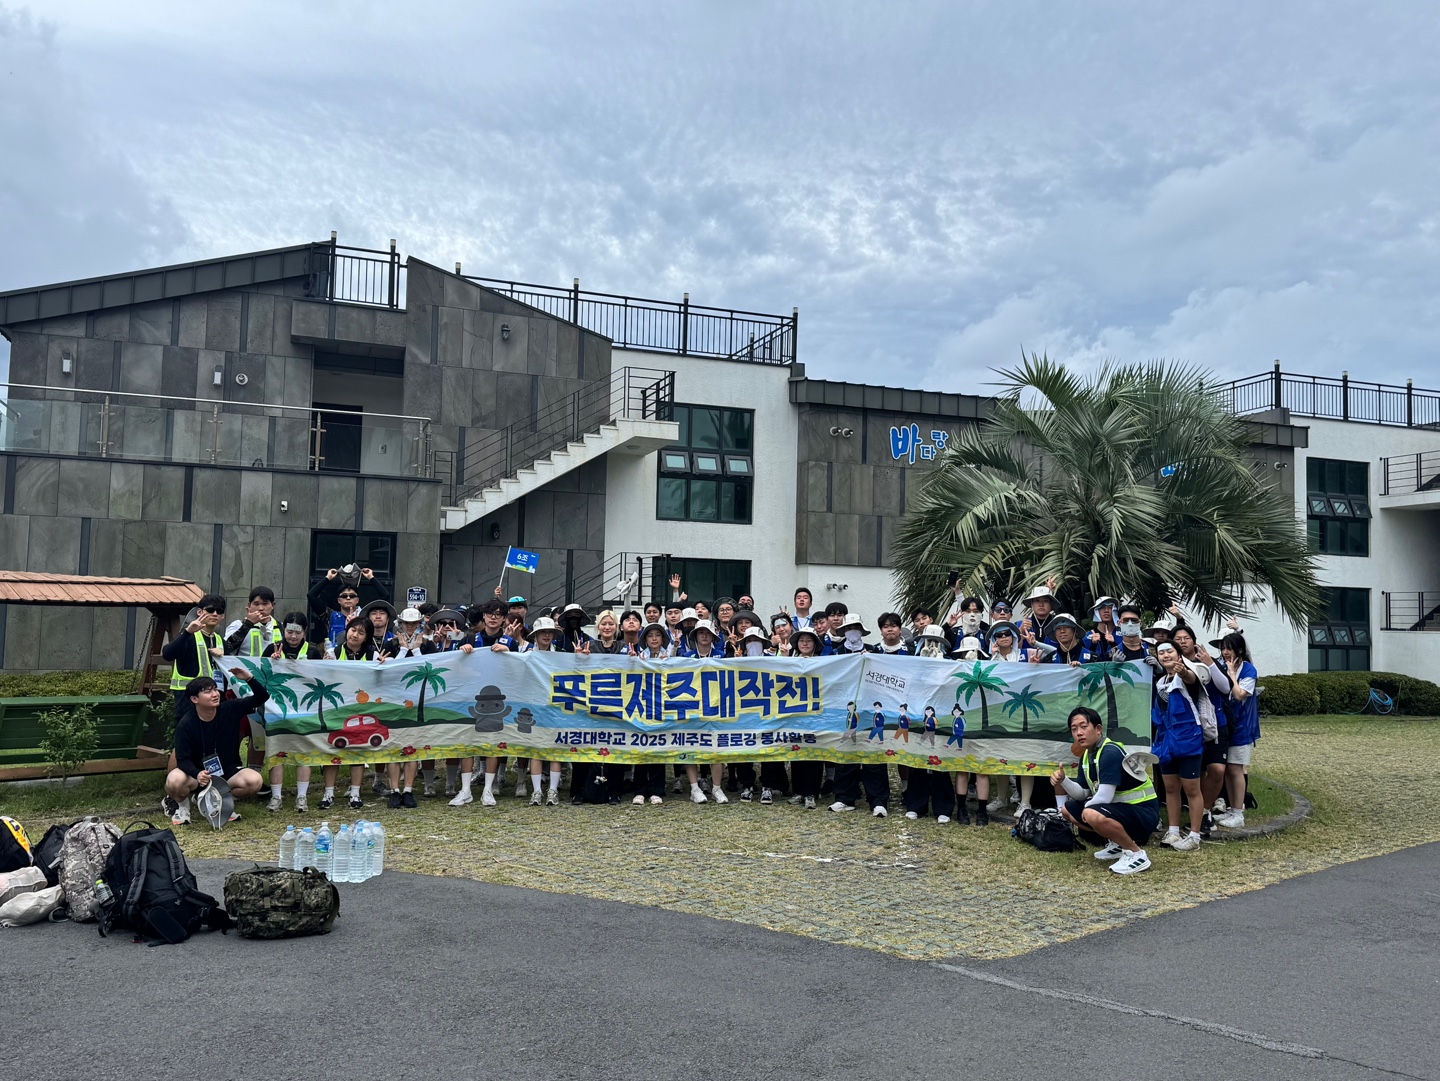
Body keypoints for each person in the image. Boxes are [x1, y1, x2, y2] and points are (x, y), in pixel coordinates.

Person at [1051, 706, 1159, 875]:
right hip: (1121, 811)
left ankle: (1136, 855)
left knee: (1091, 813)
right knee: (1067, 810)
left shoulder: (1109, 752)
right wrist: (1063, 781)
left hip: (1144, 814)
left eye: (1083, 726)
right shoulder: (1087, 755)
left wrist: (1088, 812)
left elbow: (1104, 797)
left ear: (1098, 729)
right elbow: (1082, 793)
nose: (1079, 732)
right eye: (1074, 729)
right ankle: (1117, 844)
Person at [164, 671, 268, 826]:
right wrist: (197, 774)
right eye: (207, 692)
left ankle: (219, 800)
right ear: (195, 699)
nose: (214, 694)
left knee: (254, 781)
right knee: (174, 780)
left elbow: (262, 697)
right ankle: (182, 805)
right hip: (197, 775)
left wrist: (249, 678)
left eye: (214, 689)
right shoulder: (186, 724)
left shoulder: (230, 709)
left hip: (225, 771)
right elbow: (183, 760)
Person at [1172, 625, 1231, 835]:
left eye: (1186, 637)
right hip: (1187, 728)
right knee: (1194, 774)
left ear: (1194, 640)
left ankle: (1205, 810)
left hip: (1214, 724)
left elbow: (1226, 688)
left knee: (1217, 770)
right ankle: (1196, 815)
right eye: (1178, 638)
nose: (1182, 641)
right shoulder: (1169, 665)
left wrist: (1210, 664)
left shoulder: (1206, 661)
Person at [1153, 641, 1208, 852]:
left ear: (1178, 654)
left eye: (1169, 651)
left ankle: (1194, 836)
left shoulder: (1188, 673)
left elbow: (1191, 679)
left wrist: (1183, 671)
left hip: (1188, 741)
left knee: (1192, 789)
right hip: (1166, 742)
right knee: (1170, 787)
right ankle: (1174, 830)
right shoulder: (1160, 682)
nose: (1165, 655)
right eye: (1161, 652)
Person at [319, 617, 376, 811]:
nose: (355, 635)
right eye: (353, 630)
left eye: (361, 633)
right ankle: (328, 793)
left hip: (361, 711)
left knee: (358, 753)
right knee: (333, 751)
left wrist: (384, 664)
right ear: (347, 630)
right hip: (336, 710)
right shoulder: (332, 653)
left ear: (366, 637)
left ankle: (355, 793)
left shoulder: (373, 655)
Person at [262, 611, 316, 813]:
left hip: (304, 709)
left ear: (304, 632)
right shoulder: (272, 648)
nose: (292, 636)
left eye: (297, 632)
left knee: (304, 753)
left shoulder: (312, 651)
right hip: (277, 709)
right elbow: (262, 675)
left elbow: (319, 676)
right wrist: (273, 662)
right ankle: (276, 797)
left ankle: (302, 797)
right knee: (277, 752)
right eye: (289, 631)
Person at [163, 595, 228, 727]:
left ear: (222, 616)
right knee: (187, 745)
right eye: (210, 610)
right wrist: (187, 632)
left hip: (214, 704)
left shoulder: (221, 641)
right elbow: (168, 654)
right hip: (188, 703)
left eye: (219, 611)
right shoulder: (188, 636)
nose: (215, 614)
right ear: (199, 612)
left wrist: (225, 656)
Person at [1216, 633, 1259, 828]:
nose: (1225, 652)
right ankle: (1232, 810)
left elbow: (1240, 695)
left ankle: (1239, 813)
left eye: (1229, 648)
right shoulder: (1221, 665)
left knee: (1236, 770)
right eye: (1223, 648)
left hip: (1242, 727)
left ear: (1239, 650)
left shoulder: (1248, 670)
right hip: (1225, 725)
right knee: (1227, 770)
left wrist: (1233, 675)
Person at [630, 623, 674, 805]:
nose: (654, 638)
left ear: (663, 639)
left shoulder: (671, 657)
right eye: (650, 636)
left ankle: (657, 789)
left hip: (662, 707)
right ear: (645, 640)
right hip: (641, 706)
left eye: (658, 635)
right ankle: (639, 790)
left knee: (658, 749)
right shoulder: (638, 657)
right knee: (641, 749)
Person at [949, 634, 989, 825]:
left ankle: (982, 811)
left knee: (982, 769)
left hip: (980, 727)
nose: (969, 655)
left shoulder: (988, 672)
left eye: (973, 652)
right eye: (966, 652)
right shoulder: (954, 671)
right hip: (962, 727)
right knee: (962, 769)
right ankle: (962, 808)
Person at [308, 563, 389, 650]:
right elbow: (311, 596)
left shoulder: (365, 615)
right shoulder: (330, 615)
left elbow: (385, 596)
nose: (348, 598)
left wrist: (371, 577)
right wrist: (328, 578)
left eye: (352, 596)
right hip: (335, 658)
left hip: (360, 657)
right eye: (344, 596)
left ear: (357, 600)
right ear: (339, 600)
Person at [787, 627, 826, 808]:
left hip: (816, 713)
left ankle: (811, 792)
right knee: (796, 751)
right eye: (801, 640)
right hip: (795, 712)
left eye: (808, 641)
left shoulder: (825, 663)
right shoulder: (789, 663)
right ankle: (798, 791)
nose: (804, 643)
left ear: (815, 644)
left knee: (814, 753)